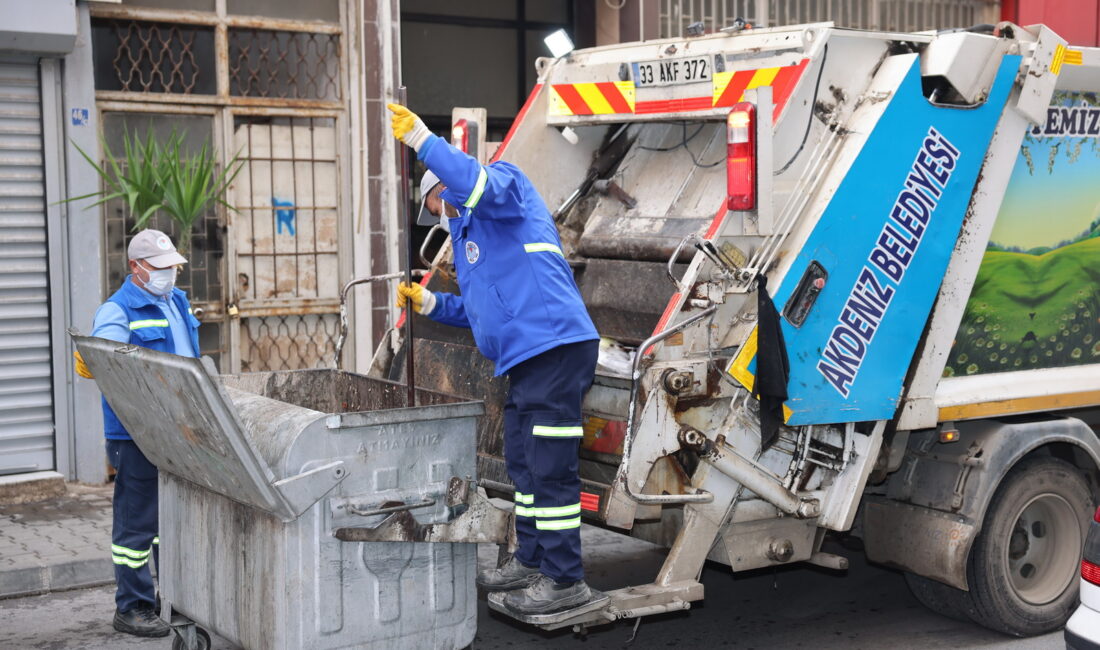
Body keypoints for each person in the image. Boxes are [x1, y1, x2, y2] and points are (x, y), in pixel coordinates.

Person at [388, 103, 603, 617]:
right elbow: (484, 310)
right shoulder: (470, 239)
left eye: (436, 203)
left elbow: (475, 182)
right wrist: (432, 304)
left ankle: (565, 579)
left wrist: (423, 140)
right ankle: (532, 560)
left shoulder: (505, 188)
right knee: (524, 465)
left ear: (445, 187)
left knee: (550, 469)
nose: (439, 215)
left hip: (553, 345)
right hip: (525, 358)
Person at [72, 229, 200, 637]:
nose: (168, 274)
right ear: (135, 267)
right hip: (136, 434)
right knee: (137, 525)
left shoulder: (176, 301)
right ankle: (132, 606)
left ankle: (170, 597)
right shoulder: (117, 310)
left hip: (178, 429)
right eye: (159, 267)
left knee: (170, 522)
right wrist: (90, 355)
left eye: (172, 266)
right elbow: (103, 363)